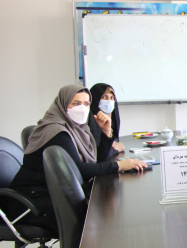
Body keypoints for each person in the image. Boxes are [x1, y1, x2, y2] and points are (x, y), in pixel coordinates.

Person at [10, 84, 148, 233]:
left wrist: (106, 132)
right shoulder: (57, 131)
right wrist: (119, 166)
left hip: (51, 193)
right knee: (92, 216)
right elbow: (79, 170)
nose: (82, 108)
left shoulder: (77, 129)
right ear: (63, 104)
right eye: (76, 103)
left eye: (86, 104)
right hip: (30, 201)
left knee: (103, 208)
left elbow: (97, 161)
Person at [88, 82, 125, 160]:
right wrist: (117, 149)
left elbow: (114, 143)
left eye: (112, 98)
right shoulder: (89, 120)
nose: (109, 101)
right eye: (104, 97)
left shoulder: (113, 118)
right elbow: (95, 153)